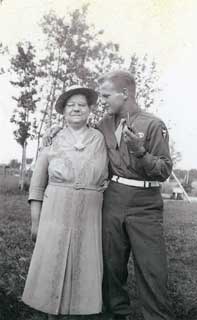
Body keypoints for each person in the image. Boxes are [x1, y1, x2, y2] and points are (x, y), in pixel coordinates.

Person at [42, 71, 174, 320]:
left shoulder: (153, 124)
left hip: (145, 204)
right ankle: (116, 314)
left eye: (105, 95)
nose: (101, 101)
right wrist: (57, 129)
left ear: (124, 94)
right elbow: (81, 133)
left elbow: (164, 170)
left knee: (152, 269)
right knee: (112, 266)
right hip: (112, 200)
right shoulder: (103, 124)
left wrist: (141, 152)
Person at [22, 85, 108, 319]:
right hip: (55, 211)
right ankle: (51, 314)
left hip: (89, 214)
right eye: (71, 105)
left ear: (90, 110)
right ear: (63, 111)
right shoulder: (52, 138)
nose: (77, 109)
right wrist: (35, 221)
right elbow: (38, 185)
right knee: (53, 263)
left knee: (83, 268)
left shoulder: (100, 139)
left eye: (82, 105)